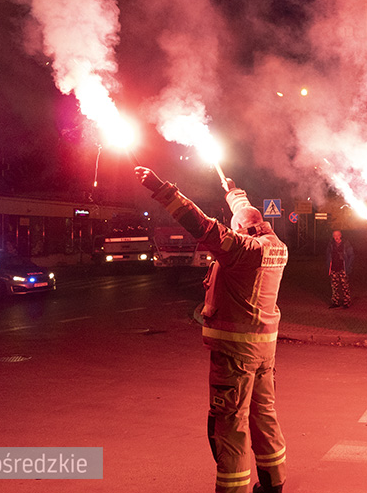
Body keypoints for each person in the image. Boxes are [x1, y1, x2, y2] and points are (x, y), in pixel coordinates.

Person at [135, 166, 287, 493]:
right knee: (264, 416)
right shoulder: (275, 245)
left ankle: (232, 490)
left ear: (241, 232)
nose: (231, 231)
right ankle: (274, 483)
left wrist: (163, 190)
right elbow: (247, 216)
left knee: (229, 426)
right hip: (264, 352)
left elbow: (203, 226)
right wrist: (235, 194)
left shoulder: (243, 252)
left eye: (234, 228)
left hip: (235, 355)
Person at [325, 230, 354, 309]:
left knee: (345, 286)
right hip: (334, 268)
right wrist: (329, 267)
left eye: (337, 235)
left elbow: (351, 255)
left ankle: (346, 302)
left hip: (343, 268)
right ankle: (335, 302)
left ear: (340, 235)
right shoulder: (331, 244)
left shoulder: (345, 244)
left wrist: (348, 266)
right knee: (334, 286)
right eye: (334, 236)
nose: (336, 237)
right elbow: (328, 255)